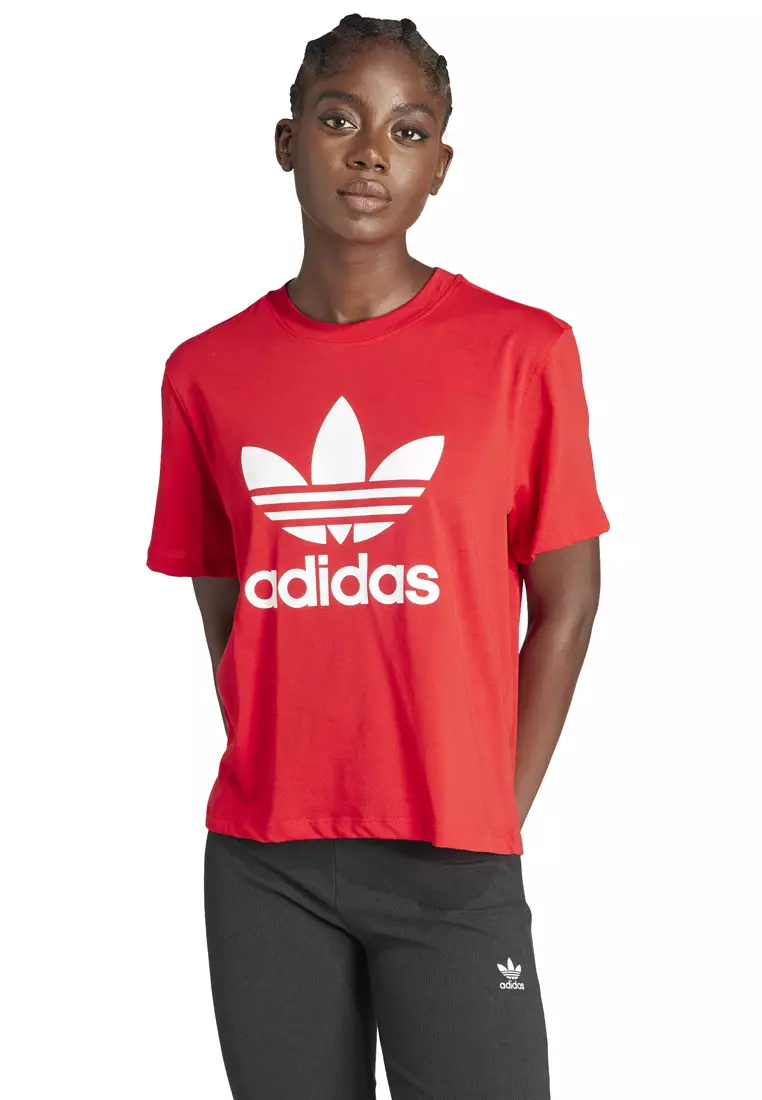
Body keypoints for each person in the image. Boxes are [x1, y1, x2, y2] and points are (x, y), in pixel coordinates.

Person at [146, 13, 610, 1099]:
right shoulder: (204, 373)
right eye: (339, 120)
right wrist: (284, 750)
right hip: (265, 865)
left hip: (455, 854)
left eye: (407, 131)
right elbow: (226, 601)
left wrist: (494, 805)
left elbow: (571, 599)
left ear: (439, 165)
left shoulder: (524, 353)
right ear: (286, 140)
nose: (370, 154)